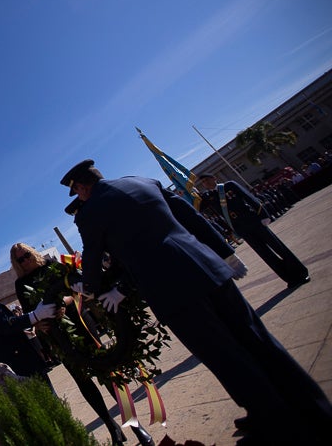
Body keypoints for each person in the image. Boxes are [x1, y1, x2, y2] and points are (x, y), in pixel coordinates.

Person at [61, 159, 332, 445]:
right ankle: (313, 407)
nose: (79, 197)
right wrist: (225, 253)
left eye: (77, 192)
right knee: (257, 339)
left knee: (226, 356)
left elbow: (92, 255)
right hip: (206, 268)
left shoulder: (90, 212)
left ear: (81, 186)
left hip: (170, 288)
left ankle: (278, 425)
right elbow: (192, 218)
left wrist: (88, 288)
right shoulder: (144, 181)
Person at [10, 242, 154, 446]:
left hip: (80, 323)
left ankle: (137, 426)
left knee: (109, 375)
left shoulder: (52, 265)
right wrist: (39, 324)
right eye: (20, 259)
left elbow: (76, 291)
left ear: (32, 252)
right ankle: (111, 427)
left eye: (26, 255)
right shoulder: (21, 284)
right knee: (84, 383)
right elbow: (28, 312)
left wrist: (62, 304)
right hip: (57, 337)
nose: (25, 260)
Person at [198, 173, 310, 288]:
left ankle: (301, 273)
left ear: (214, 178)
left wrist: (263, 214)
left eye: (207, 180)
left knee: (278, 247)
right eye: (203, 182)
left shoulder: (229, 186)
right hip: (241, 229)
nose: (205, 183)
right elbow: (196, 207)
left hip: (253, 221)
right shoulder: (208, 197)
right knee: (266, 254)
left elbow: (249, 198)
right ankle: (289, 278)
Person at [0, 271, 57, 384]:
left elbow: (13, 326)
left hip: (26, 359)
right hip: (18, 365)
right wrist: (36, 315)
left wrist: (33, 323)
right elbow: (7, 325)